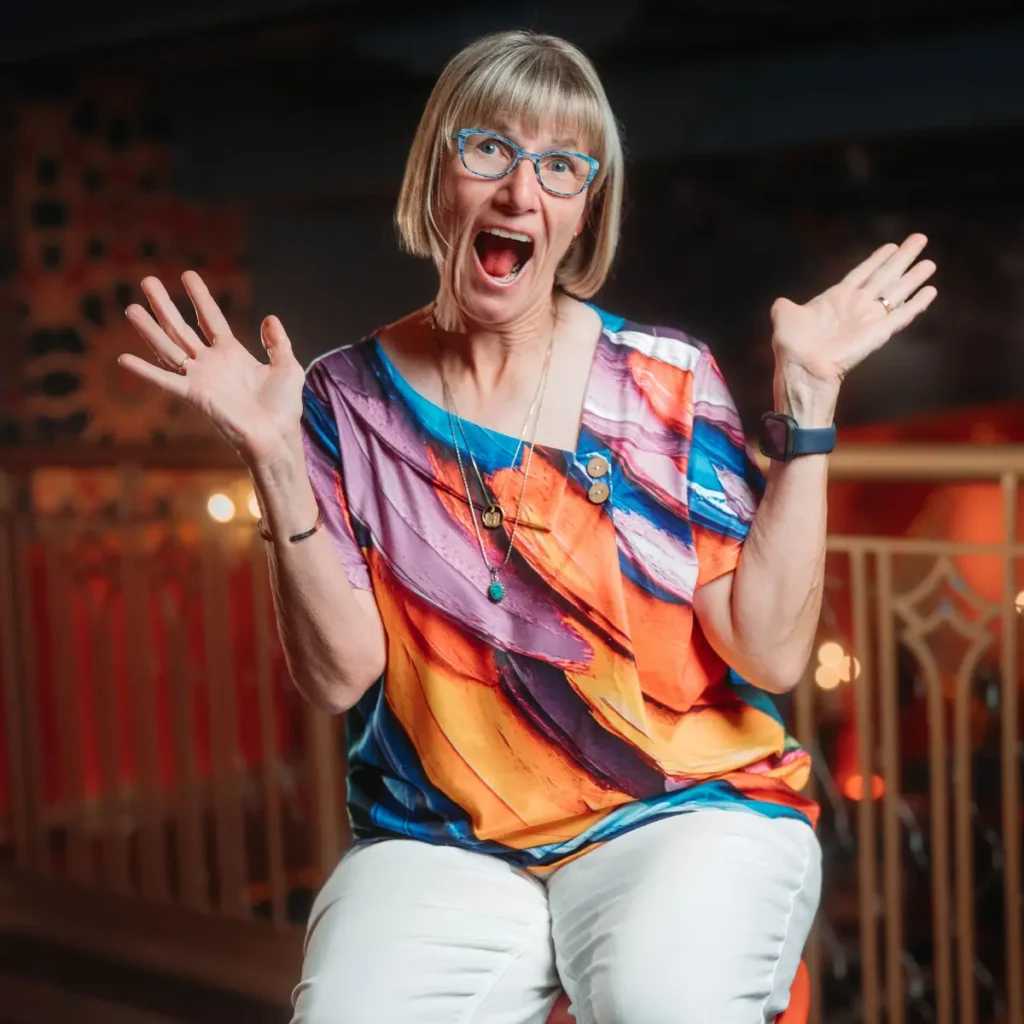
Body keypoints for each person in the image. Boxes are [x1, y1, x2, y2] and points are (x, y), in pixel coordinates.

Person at [118, 28, 937, 1024]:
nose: (519, 191)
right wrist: (276, 460)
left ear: (585, 208)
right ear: (436, 176)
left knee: (659, 1001)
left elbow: (766, 651)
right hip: (444, 831)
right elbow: (337, 677)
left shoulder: (665, 380)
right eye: (489, 149)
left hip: (680, 805)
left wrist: (806, 402)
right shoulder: (341, 399)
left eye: (560, 166)